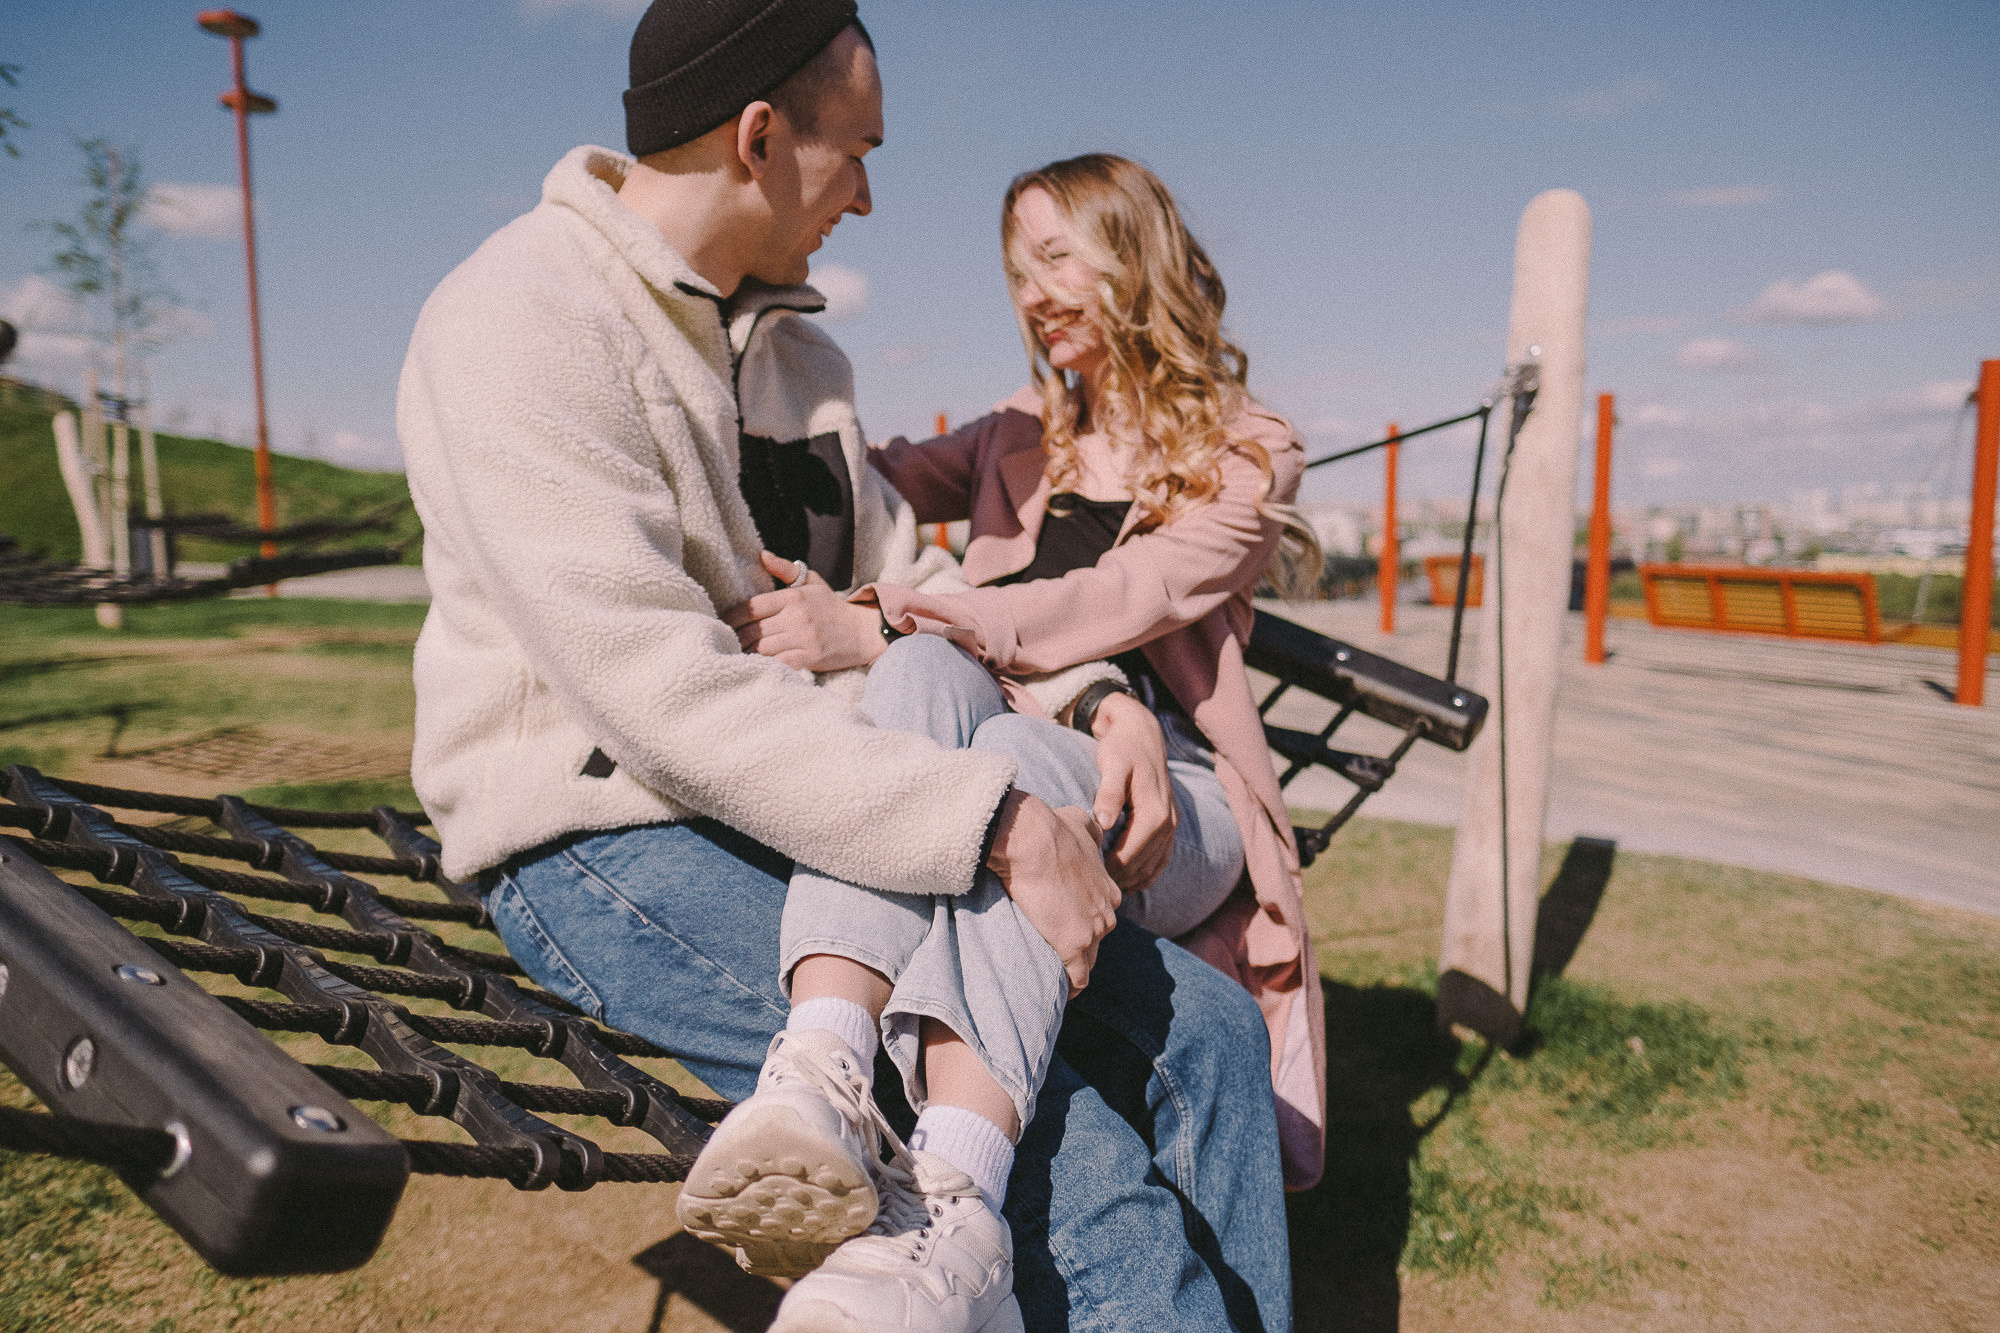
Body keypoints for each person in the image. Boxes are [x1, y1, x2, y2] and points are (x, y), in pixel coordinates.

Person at [396, 3, 1290, 1330]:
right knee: (1068, 1157)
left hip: (839, 804)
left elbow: (925, 593)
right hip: (607, 832)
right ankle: (865, 1120)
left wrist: (1100, 704)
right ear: (760, 139)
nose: (870, 199)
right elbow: (664, 704)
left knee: (1207, 1035)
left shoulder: (804, 360)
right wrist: (992, 822)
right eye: (857, 152)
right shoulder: (520, 320)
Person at [701, 153, 1327, 1328]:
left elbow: (1116, 600)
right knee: (934, 673)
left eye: (1056, 256)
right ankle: (820, 1068)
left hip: (1171, 797)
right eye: (1014, 269)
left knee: (984, 727)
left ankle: (948, 1206)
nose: (1032, 292)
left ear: (1129, 250)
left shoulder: (1245, 448)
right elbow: (852, 477)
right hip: (1006, 753)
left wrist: (891, 612)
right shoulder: (1015, 436)